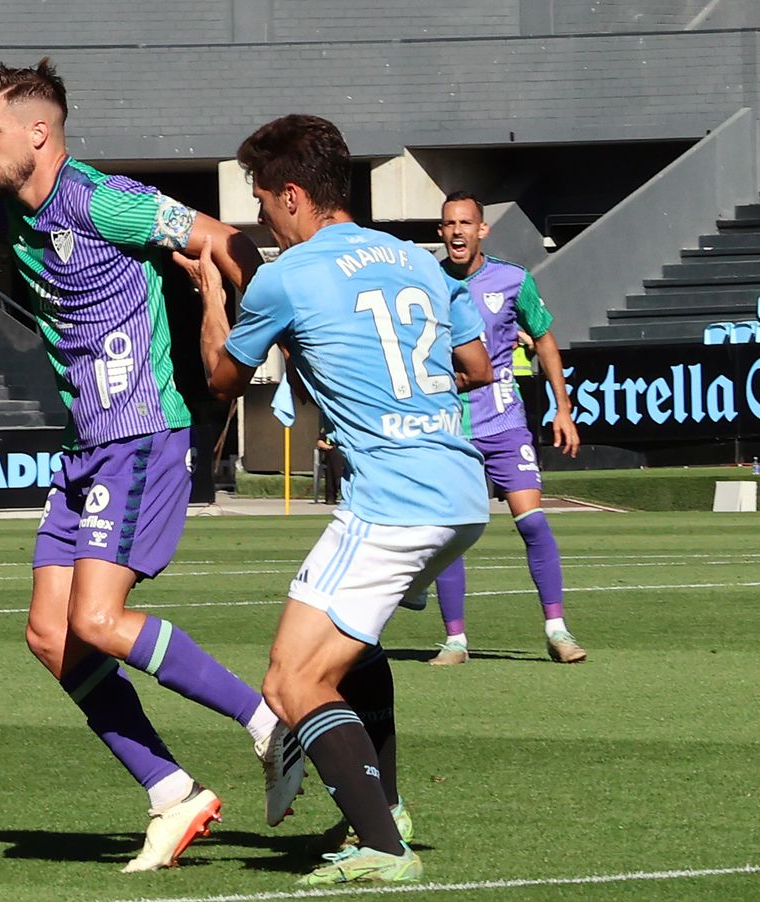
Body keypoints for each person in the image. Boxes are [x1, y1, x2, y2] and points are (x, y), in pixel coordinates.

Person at [0, 60, 305, 872]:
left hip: (140, 434)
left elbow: (226, 241)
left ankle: (269, 724)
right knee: (52, 637)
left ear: (38, 133)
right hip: (86, 449)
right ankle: (173, 792)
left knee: (96, 621)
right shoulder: (17, 210)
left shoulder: (102, 200)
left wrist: (262, 343)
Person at [175, 114, 493, 886]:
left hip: (394, 498)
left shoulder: (289, 274)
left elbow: (221, 378)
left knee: (291, 680)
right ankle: (386, 807)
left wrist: (214, 291)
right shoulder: (419, 261)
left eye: (262, 202)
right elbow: (478, 367)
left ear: (293, 194)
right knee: (357, 650)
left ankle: (384, 847)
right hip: (460, 487)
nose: (258, 219)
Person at [431, 191, 585, 665]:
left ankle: (558, 631)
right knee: (451, 531)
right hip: (449, 424)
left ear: (482, 230)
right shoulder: (425, 282)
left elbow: (544, 338)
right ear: (441, 232)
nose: (457, 231)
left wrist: (563, 407)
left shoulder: (514, 281)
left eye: (465, 223)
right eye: (449, 224)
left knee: (533, 523)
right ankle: (455, 640)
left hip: (504, 420)